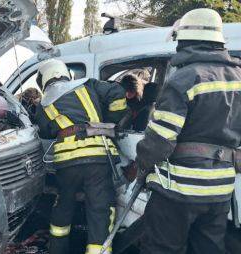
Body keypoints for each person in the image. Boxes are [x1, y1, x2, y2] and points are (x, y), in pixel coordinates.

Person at [135, 8, 241, 254]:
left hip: (178, 192)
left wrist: (142, 165)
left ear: (186, 40)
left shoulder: (184, 78)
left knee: (161, 249)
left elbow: (159, 141)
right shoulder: (238, 78)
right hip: (220, 191)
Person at [34, 59, 129, 254]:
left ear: (44, 80)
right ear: (65, 73)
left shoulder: (43, 103)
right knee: (100, 212)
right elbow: (117, 93)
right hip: (97, 158)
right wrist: (110, 121)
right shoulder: (88, 84)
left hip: (66, 164)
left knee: (63, 207)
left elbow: (45, 132)